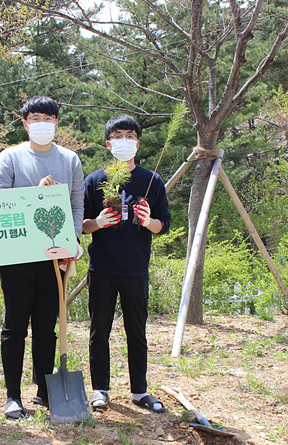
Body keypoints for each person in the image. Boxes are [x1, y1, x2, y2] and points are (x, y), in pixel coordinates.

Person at [0, 96, 84, 419]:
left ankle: (45, 391)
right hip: (16, 258)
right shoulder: (10, 158)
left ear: (57, 122)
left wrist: (73, 244)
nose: (43, 123)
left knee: (47, 326)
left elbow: (75, 206)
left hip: (54, 259)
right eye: (36, 117)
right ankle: (13, 395)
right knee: (16, 326)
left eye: (49, 118)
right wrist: (36, 195)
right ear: (25, 122)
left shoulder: (70, 161)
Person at [82, 114, 171, 414]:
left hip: (135, 269)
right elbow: (80, 225)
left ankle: (139, 391)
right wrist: (98, 222)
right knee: (99, 331)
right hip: (103, 269)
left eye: (129, 136)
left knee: (137, 330)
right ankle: (100, 390)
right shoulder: (95, 180)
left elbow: (164, 224)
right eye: (118, 136)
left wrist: (148, 222)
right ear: (108, 144)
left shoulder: (152, 180)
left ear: (138, 142)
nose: (124, 141)